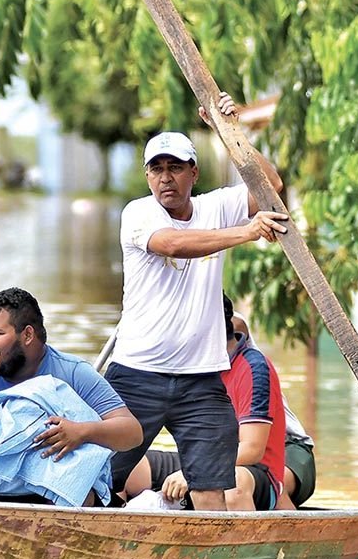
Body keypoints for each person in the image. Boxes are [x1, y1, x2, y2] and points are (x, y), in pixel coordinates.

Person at [106, 93, 289, 511]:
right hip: (138, 372)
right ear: (147, 177)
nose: (165, 178)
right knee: (97, 476)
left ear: (194, 172)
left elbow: (271, 187)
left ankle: (217, 549)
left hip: (201, 379)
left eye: (175, 168)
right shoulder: (138, 214)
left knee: (210, 488)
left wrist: (229, 132)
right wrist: (248, 232)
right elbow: (173, 245)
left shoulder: (214, 206)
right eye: (157, 169)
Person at [0, 287, 143, 503]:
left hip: (50, 487)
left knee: (83, 497)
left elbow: (132, 432)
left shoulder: (74, 372)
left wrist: (81, 432)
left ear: (28, 335)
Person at [122, 295, 289, 511]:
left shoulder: (253, 367)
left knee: (233, 486)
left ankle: (239, 534)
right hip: (201, 458)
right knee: (124, 468)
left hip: (252, 469)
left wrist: (196, 472)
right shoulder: (192, 365)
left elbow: (252, 449)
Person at [231, 313, 317, 507]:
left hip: (290, 448)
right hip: (243, 448)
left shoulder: (252, 367)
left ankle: (290, 523)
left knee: (274, 484)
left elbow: (236, 323)